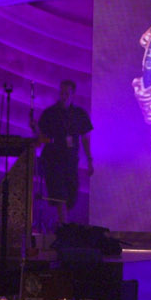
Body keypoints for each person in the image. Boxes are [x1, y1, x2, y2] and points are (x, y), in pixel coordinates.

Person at [32, 79, 93, 232]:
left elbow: (85, 138)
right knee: (60, 194)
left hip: (71, 160)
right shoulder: (50, 113)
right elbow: (42, 138)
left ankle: (62, 223)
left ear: (73, 94)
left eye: (67, 93)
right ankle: (64, 225)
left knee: (71, 194)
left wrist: (89, 160)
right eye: (61, 93)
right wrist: (35, 129)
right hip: (53, 159)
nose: (63, 96)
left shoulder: (79, 114)